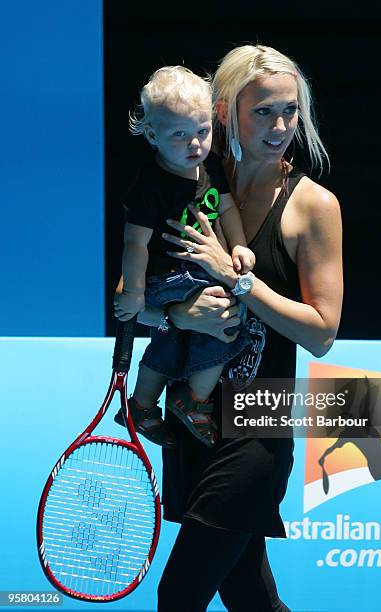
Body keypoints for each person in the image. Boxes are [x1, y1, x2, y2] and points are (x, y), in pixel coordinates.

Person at [126, 44, 342, 610]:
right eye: (264, 111)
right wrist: (176, 313)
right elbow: (130, 300)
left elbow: (322, 333)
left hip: (258, 424)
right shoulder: (193, 176)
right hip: (193, 417)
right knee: (250, 597)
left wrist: (239, 281)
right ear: (225, 113)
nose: (280, 126)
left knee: (179, 596)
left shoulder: (313, 206)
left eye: (290, 111)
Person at [113, 65, 255, 448]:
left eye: (202, 131)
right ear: (153, 135)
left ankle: (142, 405)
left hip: (196, 275)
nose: (195, 144)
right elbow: (135, 244)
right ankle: (194, 400)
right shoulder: (149, 185)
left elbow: (226, 210)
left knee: (173, 341)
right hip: (166, 280)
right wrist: (134, 293)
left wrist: (239, 245)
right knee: (228, 323)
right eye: (180, 134)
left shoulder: (209, 168)